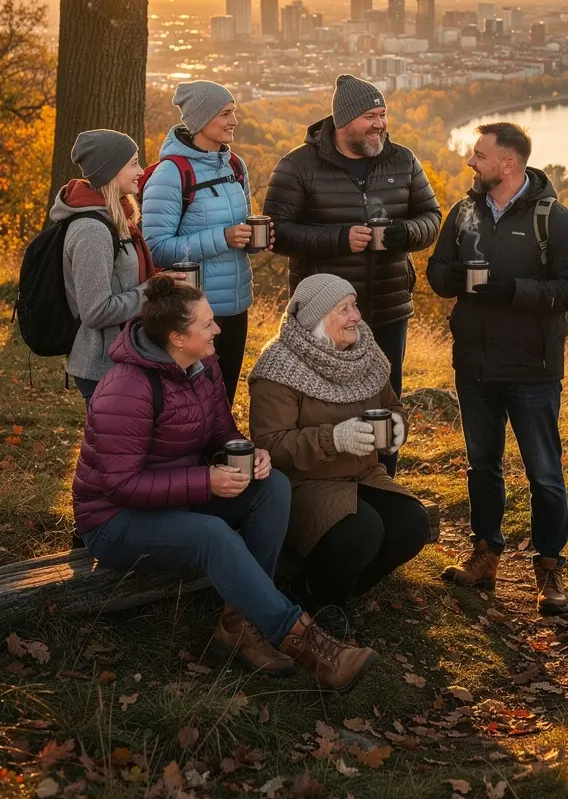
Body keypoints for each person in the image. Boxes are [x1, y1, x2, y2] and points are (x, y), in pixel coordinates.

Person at [73, 275, 377, 692]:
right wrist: (206, 481)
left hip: (178, 500)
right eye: (207, 324)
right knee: (212, 535)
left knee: (273, 488)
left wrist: (249, 454)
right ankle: (311, 647)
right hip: (114, 521)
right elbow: (119, 485)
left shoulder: (203, 367)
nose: (219, 329)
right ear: (179, 338)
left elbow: (221, 433)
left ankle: (239, 626)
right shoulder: (125, 389)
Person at [427, 123, 568, 614]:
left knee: (544, 473)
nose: (471, 163)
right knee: (482, 465)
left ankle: (550, 569)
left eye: (480, 155)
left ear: (509, 164)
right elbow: (436, 273)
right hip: (474, 364)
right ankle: (485, 554)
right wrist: (454, 276)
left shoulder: (553, 219)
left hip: (532, 368)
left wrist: (513, 290)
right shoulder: (463, 212)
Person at [263, 73, 441, 473]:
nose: (380, 123)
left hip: (388, 304)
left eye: (383, 114)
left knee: (385, 402)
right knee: (324, 400)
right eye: (370, 116)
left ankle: (384, 479)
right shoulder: (298, 166)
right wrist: (339, 238)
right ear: (344, 121)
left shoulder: (402, 159)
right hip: (324, 315)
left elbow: (432, 218)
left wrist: (402, 233)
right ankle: (325, 483)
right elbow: (277, 232)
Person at [249, 274, 429, 636]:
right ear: (317, 319)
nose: (356, 316)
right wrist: (334, 439)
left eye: (354, 305)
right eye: (343, 309)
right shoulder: (278, 366)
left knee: (413, 524)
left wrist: (397, 428)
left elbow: (392, 404)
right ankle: (312, 596)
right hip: (306, 484)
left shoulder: (366, 352)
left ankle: (335, 596)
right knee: (362, 531)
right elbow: (271, 445)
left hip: (364, 474)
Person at [141, 80, 267, 405]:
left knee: (224, 399)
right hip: (193, 312)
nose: (233, 121)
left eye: (233, 112)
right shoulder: (171, 174)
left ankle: (221, 457)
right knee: (192, 403)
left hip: (236, 305)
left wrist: (253, 241)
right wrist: (222, 237)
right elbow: (155, 247)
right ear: (200, 120)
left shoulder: (235, 166)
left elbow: (240, 231)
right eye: (225, 113)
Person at [50, 129, 156, 407]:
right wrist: (152, 291)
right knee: (113, 449)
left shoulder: (118, 218)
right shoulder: (92, 231)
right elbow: (96, 311)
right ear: (110, 169)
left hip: (123, 357)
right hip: (103, 367)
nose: (141, 171)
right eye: (133, 163)